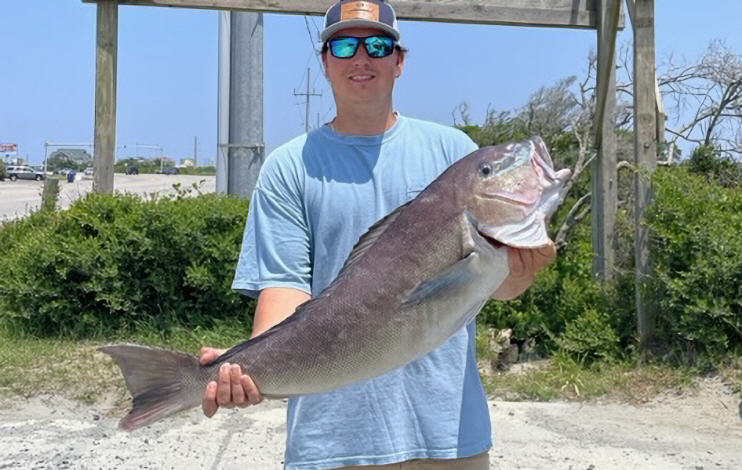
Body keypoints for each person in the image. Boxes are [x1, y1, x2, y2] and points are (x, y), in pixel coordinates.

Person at [200, 1, 556, 468]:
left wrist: (524, 267)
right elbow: (284, 288)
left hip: (449, 437)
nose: (361, 57)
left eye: (378, 44)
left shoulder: (453, 151)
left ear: (399, 60)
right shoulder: (289, 167)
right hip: (330, 443)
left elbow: (501, 287)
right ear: (325, 62)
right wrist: (243, 365)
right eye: (344, 45)